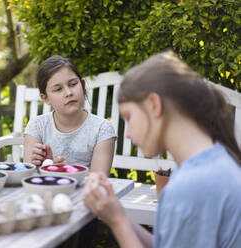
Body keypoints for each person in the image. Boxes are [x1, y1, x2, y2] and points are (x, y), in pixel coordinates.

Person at [83, 51, 241, 248]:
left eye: (129, 117)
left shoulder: (190, 186)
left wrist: (118, 222)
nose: (128, 133)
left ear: (154, 104)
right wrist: (118, 213)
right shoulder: (214, 162)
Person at [23, 55, 117, 176]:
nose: (68, 93)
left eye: (73, 84)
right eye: (58, 89)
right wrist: (37, 167)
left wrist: (71, 172)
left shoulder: (102, 129)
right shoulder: (37, 126)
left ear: (82, 85)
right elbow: (27, 175)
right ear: (45, 98)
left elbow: (99, 181)